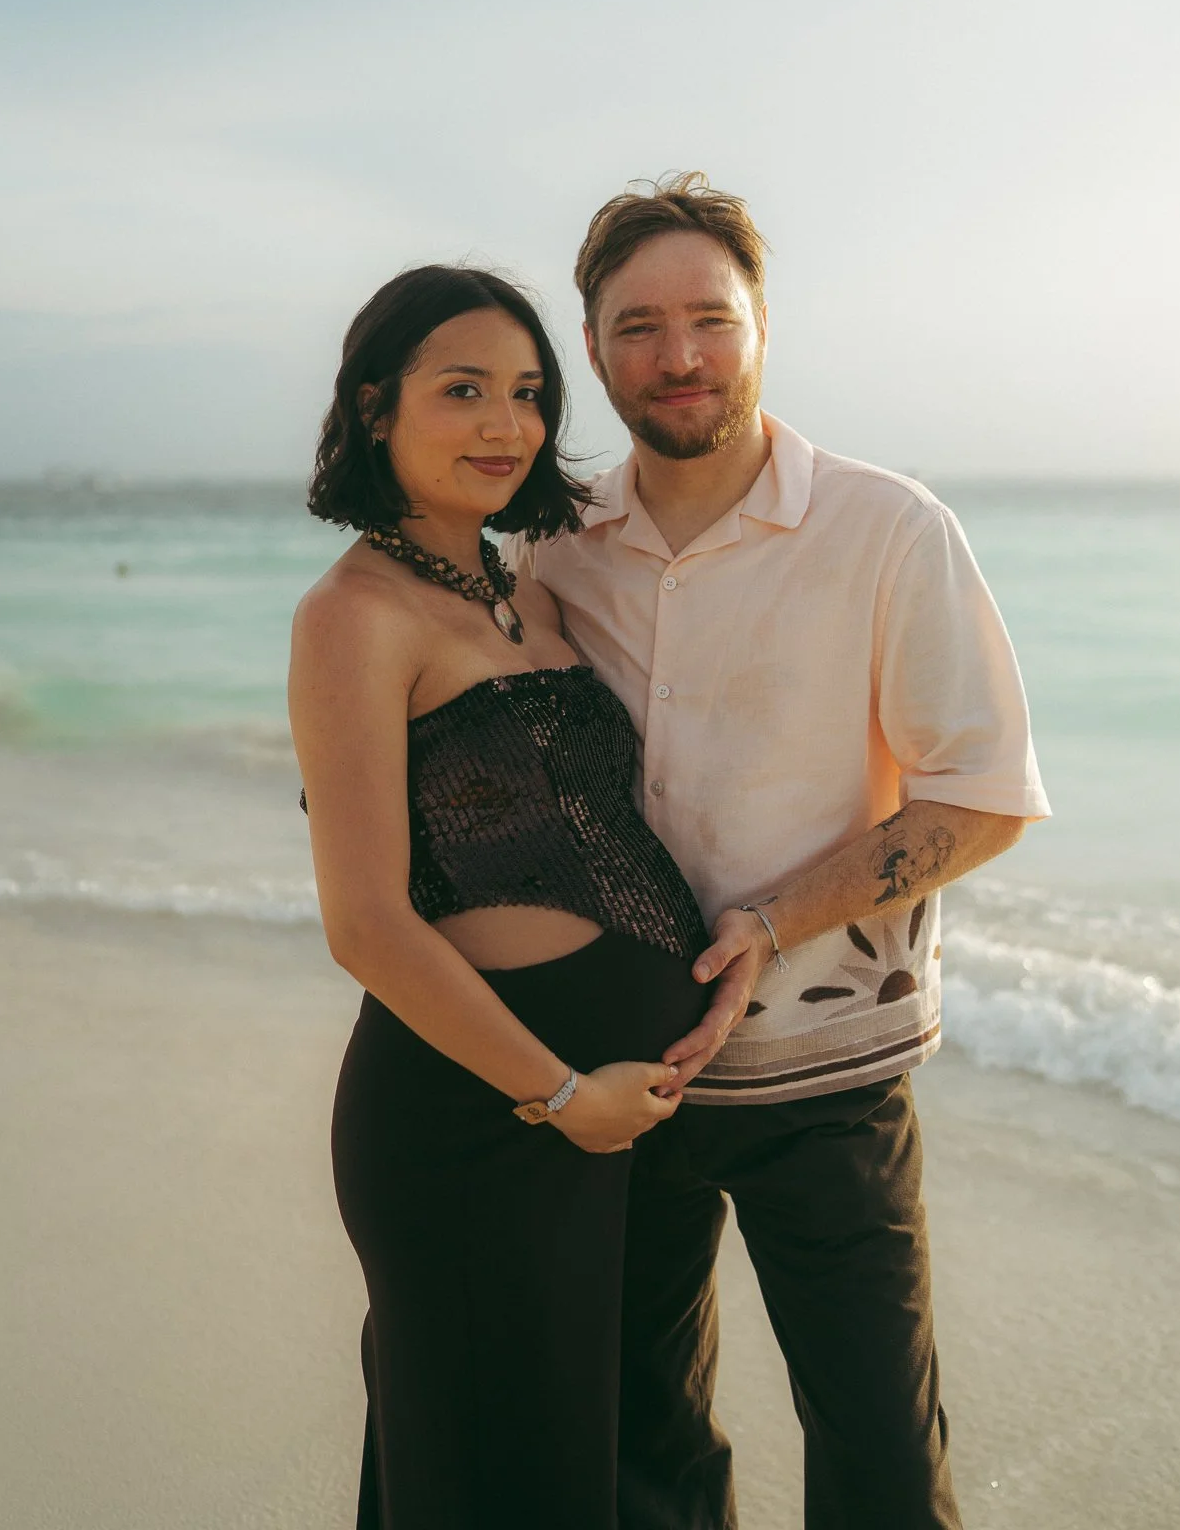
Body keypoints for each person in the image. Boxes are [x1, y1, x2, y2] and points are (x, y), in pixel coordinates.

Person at [507, 173, 1052, 1530]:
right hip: (626, 1067)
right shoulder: (557, 549)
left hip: (829, 1071)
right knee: (638, 1451)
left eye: (709, 319)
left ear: (764, 329)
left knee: (876, 1454)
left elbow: (980, 795)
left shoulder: (887, 530)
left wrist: (766, 921)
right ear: (590, 349)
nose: (677, 357)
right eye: (638, 327)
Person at [287, 264, 711, 1530]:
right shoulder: (353, 615)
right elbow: (365, 921)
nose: (504, 425)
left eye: (527, 394)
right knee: (493, 1477)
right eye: (462, 389)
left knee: (596, 1465)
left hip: (607, 1110)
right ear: (375, 407)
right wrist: (562, 1091)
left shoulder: (528, 586)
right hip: (479, 1117)